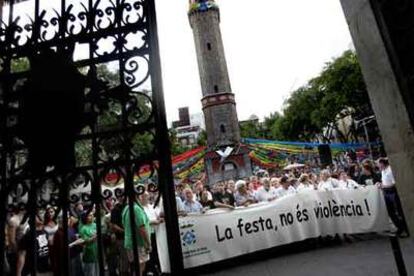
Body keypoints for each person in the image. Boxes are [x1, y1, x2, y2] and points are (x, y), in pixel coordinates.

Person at [377, 158, 409, 237]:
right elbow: (384, 181)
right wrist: (380, 183)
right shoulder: (383, 171)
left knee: (399, 211)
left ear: (382, 163)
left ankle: (406, 229)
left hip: (392, 192)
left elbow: (394, 183)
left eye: (378, 164)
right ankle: (399, 227)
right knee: (390, 212)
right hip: (386, 192)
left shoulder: (390, 170)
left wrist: (384, 186)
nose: (378, 166)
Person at [122, 194, 151, 276]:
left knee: (137, 267)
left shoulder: (126, 208)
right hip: (139, 243)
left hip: (129, 242)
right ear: (139, 198)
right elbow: (142, 228)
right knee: (140, 268)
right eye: (144, 197)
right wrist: (148, 244)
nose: (147, 199)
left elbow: (124, 225)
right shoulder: (136, 209)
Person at [16, 211, 52, 276]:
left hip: (45, 269)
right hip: (32, 270)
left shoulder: (45, 232)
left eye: (41, 215)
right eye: (38, 216)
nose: (41, 217)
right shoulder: (28, 235)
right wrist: (18, 273)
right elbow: (22, 255)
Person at [139, 191, 163, 276]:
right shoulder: (141, 208)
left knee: (156, 252)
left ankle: (156, 269)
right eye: (144, 196)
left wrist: (159, 218)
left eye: (147, 196)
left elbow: (158, 215)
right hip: (148, 233)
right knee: (149, 252)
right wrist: (154, 221)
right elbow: (143, 222)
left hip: (156, 232)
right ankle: (149, 270)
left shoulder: (151, 206)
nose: (146, 198)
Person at [110, 194, 129, 276]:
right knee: (124, 257)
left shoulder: (128, 206)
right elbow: (113, 225)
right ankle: (123, 272)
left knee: (130, 257)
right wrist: (124, 231)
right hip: (121, 237)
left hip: (130, 236)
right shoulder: (115, 209)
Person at [79, 210, 98, 276]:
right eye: (90, 215)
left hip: (97, 252)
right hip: (89, 253)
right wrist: (95, 236)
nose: (92, 216)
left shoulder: (95, 225)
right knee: (90, 273)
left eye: (92, 214)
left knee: (97, 272)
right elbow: (86, 241)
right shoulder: (83, 228)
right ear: (85, 218)